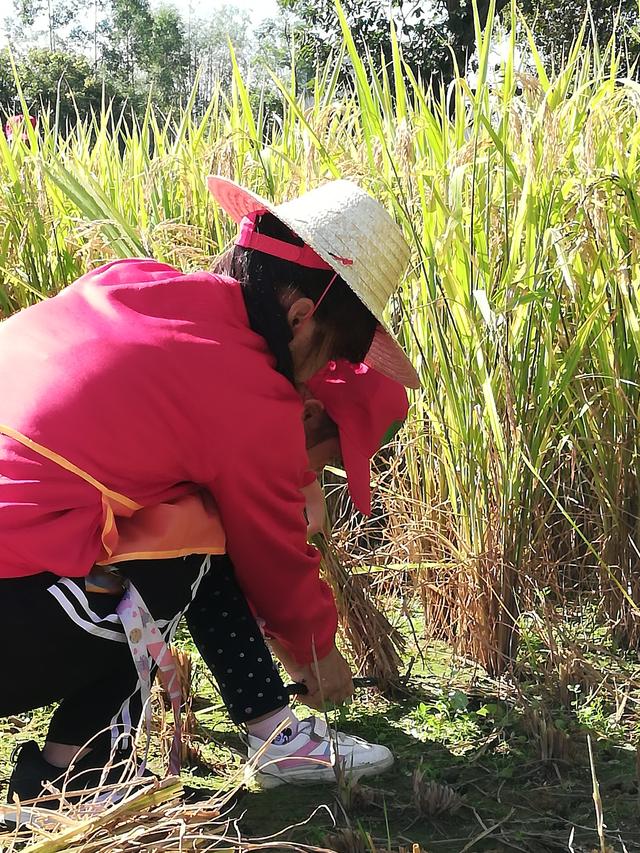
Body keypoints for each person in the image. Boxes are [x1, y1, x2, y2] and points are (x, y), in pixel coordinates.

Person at [0, 177, 419, 802]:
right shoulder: (248, 390)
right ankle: (78, 777)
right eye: (336, 353)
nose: (324, 373)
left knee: (181, 526)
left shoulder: (132, 283)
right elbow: (272, 561)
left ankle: (270, 734)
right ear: (301, 318)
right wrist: (315, 652)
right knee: (188, 536)